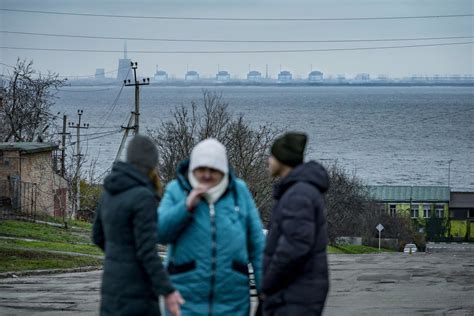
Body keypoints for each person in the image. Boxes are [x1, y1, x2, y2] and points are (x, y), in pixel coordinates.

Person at [157, 138, 265, 316]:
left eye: (213, 170)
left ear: (223, 171)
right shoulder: (176, 190)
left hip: (233, 302)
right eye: (201, 169)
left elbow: (257, 245)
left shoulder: (239, 191)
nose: (206, 175)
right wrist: (186, 206)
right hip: (185, 301)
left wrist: (264, 292)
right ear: (192, 168)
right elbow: (160, 233)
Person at [92, 135, 184, 316]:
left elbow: (97, 237)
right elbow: (147, 251)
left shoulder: (108, 193)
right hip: (137, 292)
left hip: (111, 287)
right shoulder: (143, 197)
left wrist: (120, 257)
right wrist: (168, 290)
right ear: (151, 165)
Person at [261, 132, 330, 316]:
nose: (268, 160)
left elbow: (294, 247)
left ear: (283, 159)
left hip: (295, 295)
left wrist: (267, 283)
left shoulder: (299, 194)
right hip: (294, 293)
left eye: (272, 156)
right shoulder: (296, 190)